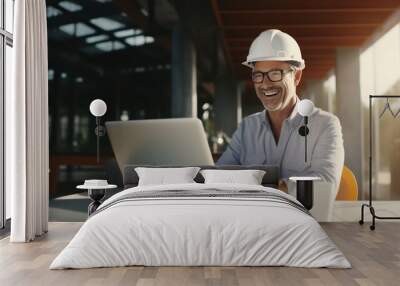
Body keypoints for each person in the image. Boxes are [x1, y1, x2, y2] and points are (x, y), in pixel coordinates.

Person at [217, 29, 344, 193]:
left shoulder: (325, 125)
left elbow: (325, 184)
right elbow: (219, 175)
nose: (265, 84)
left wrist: (258, 187)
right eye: (258, 75)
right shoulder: (247, 128)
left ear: (296, 76)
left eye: (275, 74)